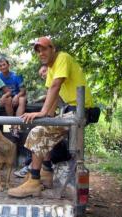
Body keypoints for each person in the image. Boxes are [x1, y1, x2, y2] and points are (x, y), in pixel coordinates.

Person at [8, 36, 94, 197]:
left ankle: (34, 181)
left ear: (53, 49)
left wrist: (43, 113)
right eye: (38, 51)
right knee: (43, 129)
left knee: (37, 133)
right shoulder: (51, 67)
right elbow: (51, 94)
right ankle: (46, 173)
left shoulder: (63, 58)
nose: (41, 53)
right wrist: (48, 115)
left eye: (44, 49)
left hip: (79, 111)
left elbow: (56, 85)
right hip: (69, 111)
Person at [0, 57, 26, 137]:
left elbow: (23, 91)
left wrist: (17, 96)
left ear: (8, 65)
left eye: (4, 65)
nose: (2, 67)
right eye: (0, 66)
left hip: (17, 97)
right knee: (8, 99)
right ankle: (12, 124)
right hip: (5, 99)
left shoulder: (17, 75)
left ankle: (16, 126)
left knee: (22, 99)